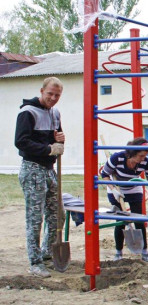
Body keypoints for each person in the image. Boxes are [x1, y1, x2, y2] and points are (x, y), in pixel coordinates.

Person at [15, 77, 65, 278]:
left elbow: (57, 138)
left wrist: (60, 140)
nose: (53, 98)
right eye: (50, 94)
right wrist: (48, 149)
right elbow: (21, 142)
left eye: (57, 95)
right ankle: (35, 262)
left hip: (49, 169)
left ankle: (47, 253)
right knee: (35, 218)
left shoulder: (55, 113)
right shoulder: (27, 112)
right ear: (42, 91)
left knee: (57, 214)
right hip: (33, 168)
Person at [100, 137, 148, 262]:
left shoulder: (145, 163)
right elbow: (105, 174)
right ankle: (118, 253)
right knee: (121, 221)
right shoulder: (117, 158)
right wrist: (113, 189)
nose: (143, 158)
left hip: (134, 187)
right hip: (116, 188)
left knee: (139, 220)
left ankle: (144, 252)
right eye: (141, 155)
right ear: (133, 153)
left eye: (145, 155)